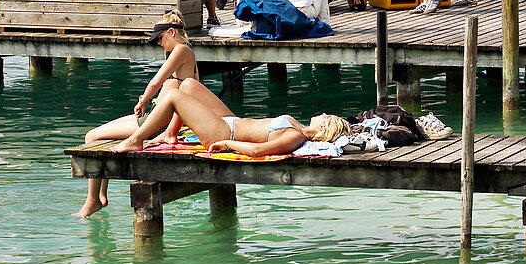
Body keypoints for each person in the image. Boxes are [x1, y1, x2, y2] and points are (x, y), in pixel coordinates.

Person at [74, 11, 211, 217]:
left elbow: (156, 81)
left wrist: (143, 100)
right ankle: (100, 196)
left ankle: (93, 200)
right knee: (101, 137)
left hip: (156, 121)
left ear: (172, 32)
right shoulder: (188, 53)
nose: (158, 43)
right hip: (162, 119)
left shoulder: (181, 50)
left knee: (91, 136)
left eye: (160, 38)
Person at [112, 90, 349, 156]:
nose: (324, 113)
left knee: (174, 97)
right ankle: (170, 134)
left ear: (324, 128)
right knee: (186, 86)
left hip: (226, 133)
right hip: (232, 120)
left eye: (327, 117)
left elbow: (257, 150)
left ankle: (135, 140)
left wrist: (227, 143)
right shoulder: (297, 126)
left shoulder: (297, 137)